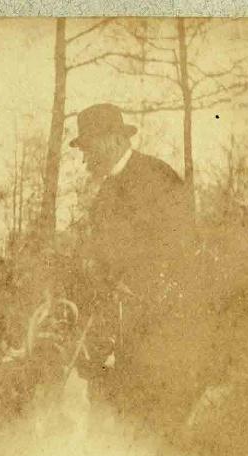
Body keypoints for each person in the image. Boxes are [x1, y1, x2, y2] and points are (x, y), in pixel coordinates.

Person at [69, 103, 197, 414]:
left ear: (111, 140)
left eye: (88, 147)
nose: (85, 158)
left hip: (160, 331)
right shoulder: (103, 196)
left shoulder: (157, 176)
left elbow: (180, 246)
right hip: (117, 335)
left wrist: (136, 283)